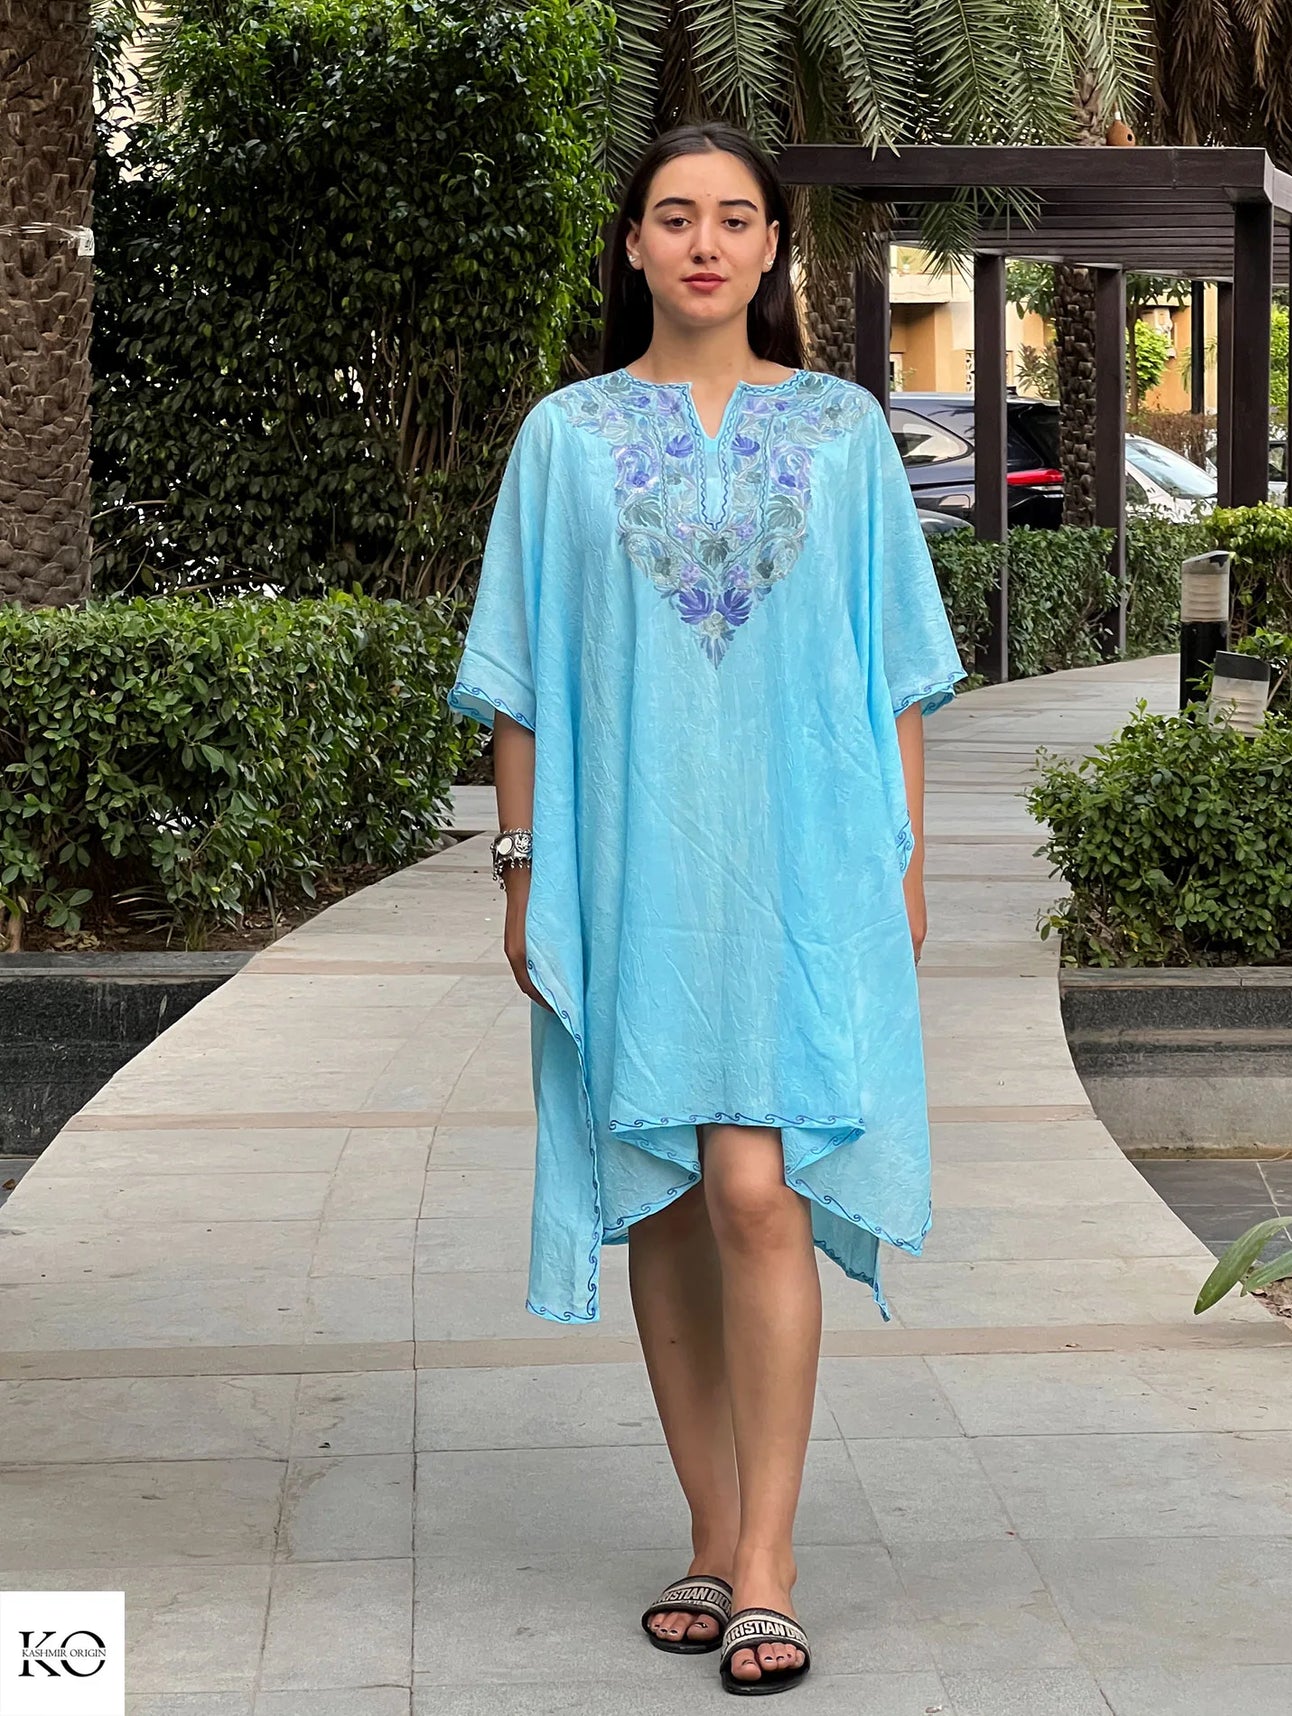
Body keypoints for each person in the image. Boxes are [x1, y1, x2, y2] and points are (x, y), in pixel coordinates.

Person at [447, 119, 965, 1697]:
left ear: (770, 249)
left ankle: (772, 1560)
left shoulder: (843, 431)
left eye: (734, 218)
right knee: (664, 1190)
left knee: (754, 1186)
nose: (703, 243)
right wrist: (522, 872)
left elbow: (895, 671)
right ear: (632, 245)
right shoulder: (565, 437)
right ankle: (713, 1533)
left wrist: (904, 867)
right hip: (629, 869)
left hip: (805, 868)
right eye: (673, 216)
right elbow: (520, 679)